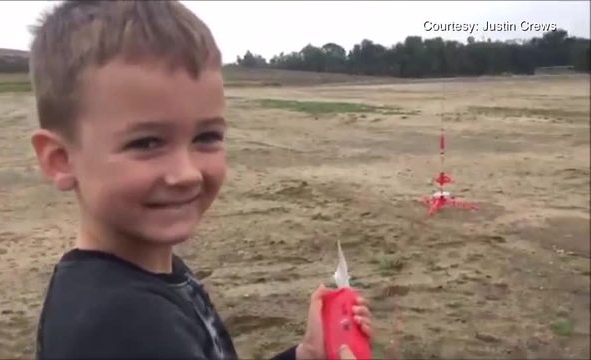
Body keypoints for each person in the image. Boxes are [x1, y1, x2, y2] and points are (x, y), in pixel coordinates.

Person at [29, 1, 373, 359]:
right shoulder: (124, 328)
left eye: (206, 137)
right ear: (61, 160)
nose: (187, 173)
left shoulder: (145, 275)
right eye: (147, 142)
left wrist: (304, 356)